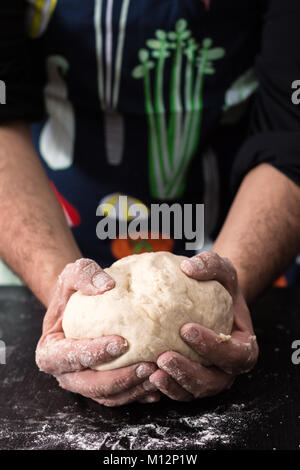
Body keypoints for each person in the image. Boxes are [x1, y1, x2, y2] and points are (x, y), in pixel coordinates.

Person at [0, 0, 299, 407]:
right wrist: (60, 291)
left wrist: (228, 296)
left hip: (240, 223)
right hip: (51, 220)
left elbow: (291, 133)